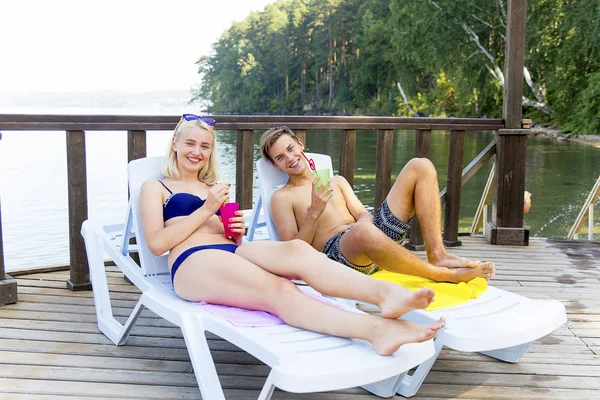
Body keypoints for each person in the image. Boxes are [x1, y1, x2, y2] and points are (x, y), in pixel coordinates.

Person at [139, 114, 445, 356]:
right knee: (280, 291)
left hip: (231, 253)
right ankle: (375, 331)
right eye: (190, 144)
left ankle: (386, 294)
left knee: (300, 253)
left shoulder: (216, 188)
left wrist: (234, 230)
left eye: (205, 147)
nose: (197, 152)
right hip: (193, 262)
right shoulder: (156, 187)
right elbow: (156, 244)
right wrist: (207, 210)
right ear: (175, 144)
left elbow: (237, 241)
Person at [260, 126, 495, 284]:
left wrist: (363, 225)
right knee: (362, 231)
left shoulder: (337, 182)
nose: (290, 158)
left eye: (290, 148)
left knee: (420, 165)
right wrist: (314, 213)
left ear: (300, 145)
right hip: (340, 259)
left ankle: (438, 254)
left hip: (373, 239)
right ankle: (442, 275)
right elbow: (292, 251)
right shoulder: (281, 198)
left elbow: (363, 214)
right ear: (275, 165)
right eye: (280, 157)